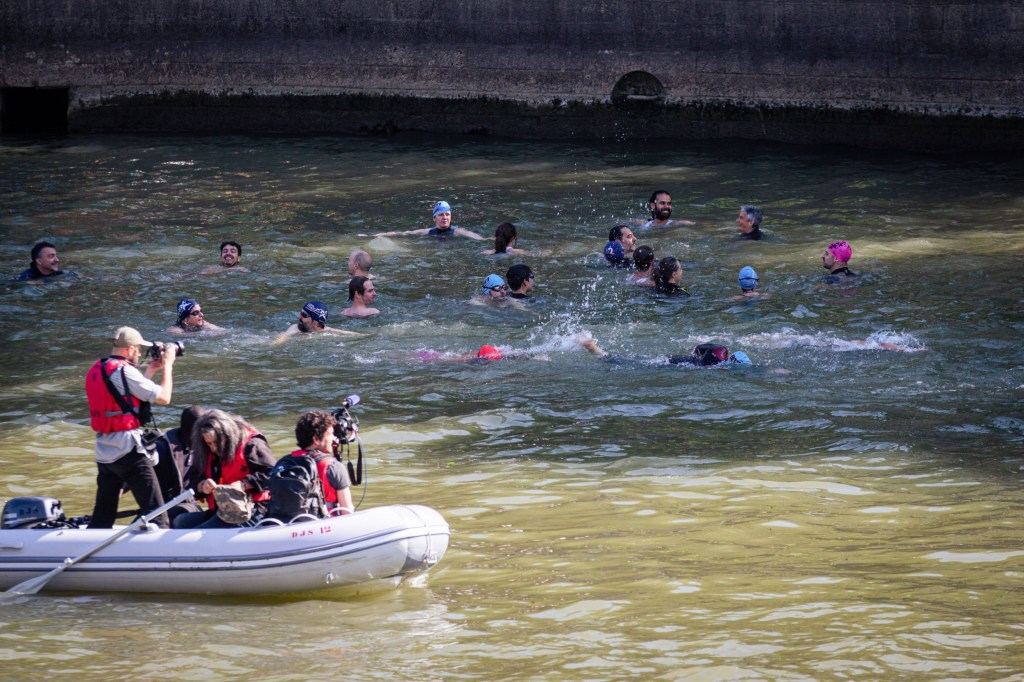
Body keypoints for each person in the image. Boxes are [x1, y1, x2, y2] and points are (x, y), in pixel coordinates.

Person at [85, 326, 176, 529]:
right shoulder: (125, 371)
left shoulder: (98, 368)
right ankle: (160, 554)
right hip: (128, 450)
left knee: (103, 514)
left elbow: (126, 396)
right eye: (138, 349)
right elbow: (164, 397)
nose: (140, 353)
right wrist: (168, 366)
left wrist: (151, 370)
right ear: (131, 349)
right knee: (157, 512)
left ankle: (94, 545)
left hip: (105, 450)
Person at [172, 410, 276, 529]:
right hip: (221, 511)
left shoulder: (252, 444)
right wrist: (202, 485)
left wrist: (244, 484)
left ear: (227, 435)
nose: (214, 448)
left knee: (199, 532)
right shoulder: (205, 450)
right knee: (180, 522)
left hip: (253, 510)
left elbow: (272, 472)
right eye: (209, 443)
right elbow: (193, 480)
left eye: (216, 442)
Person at [288, 410, 354, 515]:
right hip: (324, 526)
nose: (333, 438)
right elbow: (347, 511)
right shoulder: (333, 466)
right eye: (330, 434)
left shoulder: (284, 463)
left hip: (288, 525)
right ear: (316, 439)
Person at [153, 405, 209, 523]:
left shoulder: (207, 447)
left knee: (179, 517)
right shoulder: (162, 448)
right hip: (164, 506)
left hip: (188, 504)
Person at [581, 336, 751, 367]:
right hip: (670, 364)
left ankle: (599, 352)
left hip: (675, 359)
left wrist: (694, 353)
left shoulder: (720, 351)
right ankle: (599, 353)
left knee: (636, 360)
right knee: (633, 363)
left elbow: (700, 347)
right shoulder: (714, 364)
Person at [364, 201, 485, 240]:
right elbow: (403, 233)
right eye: (441, 215)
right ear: (434, 218)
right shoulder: (428, 232)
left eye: (447, 214)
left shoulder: (458, 231)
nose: (445, 217)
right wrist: (374, 235)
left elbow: (478, 238)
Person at [275, 300, 361, 343]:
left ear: (315, 322)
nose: (299, 317)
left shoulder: (327, 331)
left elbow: (348, 334)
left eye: (304, 315)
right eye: (301, 313)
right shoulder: (295, 329)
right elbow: (282, 338)